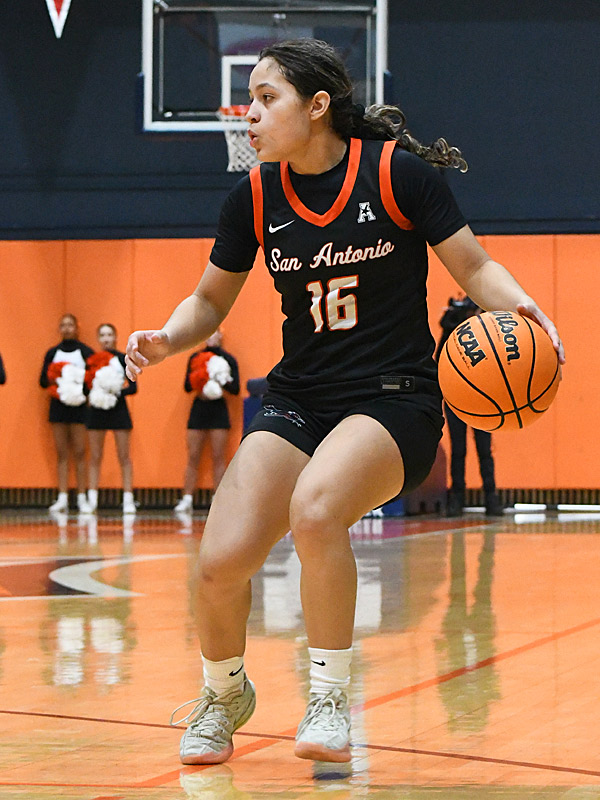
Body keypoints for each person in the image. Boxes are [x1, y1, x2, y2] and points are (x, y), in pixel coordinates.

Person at [125, 38, 564, 765]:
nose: (250, 114)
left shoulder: (397, 176)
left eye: (267, 98)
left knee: (318, 509)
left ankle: (328, 695)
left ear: (318, 105)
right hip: (303, 396)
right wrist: (169, 338)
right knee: (218, 562)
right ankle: (225, 692)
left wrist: (527, 311)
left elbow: (475, 265)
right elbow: (209, 300)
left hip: (397, 399)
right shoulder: (256, 198)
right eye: (250, 99)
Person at [435, 296, 504, 517]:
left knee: (484, 450)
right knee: (459, 450)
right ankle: (457, 500)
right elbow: (439, 362)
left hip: (483, 400)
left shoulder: (487, 332)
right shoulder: (451, 333)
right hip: (456, 400)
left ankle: (491, 499)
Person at [174, 329, 240, 513]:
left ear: (220, 336)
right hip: (199, 408)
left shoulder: (228, 359)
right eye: (208, 334)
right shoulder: (195, 357)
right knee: (193, 455)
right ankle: (186, 499)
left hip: (219, 409)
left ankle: (218, 498)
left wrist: (222, 378)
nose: (211, 337)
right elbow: (187, 386)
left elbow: (235, 388)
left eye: (215, 333)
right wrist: (200, 377)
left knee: (219, 456)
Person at [40, 313, 94, 513]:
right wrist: (58, 378)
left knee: (80, 452)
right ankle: (62, 496)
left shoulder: (85, 351)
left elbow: (92, 379)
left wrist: (78, 388)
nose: (67, 328)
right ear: (59, 329)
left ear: (76, 327)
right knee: (61, 453)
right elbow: (42, 380)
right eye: (63, 325)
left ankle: (81, 497)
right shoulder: (52, 353)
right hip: (58, 407)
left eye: (70, 324)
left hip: (79, 408)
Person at [85, 324, 137, 515]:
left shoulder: (122, 359)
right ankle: (92, 500)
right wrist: (98, 391)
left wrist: (115, 390)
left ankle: (128, 499)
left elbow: (133, 387)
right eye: (103, 335)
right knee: (95, 455)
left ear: (115, 337)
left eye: (109, 335)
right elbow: (85, 386)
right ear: (98, 338)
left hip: (118, 410)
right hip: (97, 410)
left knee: (124, 455)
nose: (106, 338)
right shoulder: (91, 360)